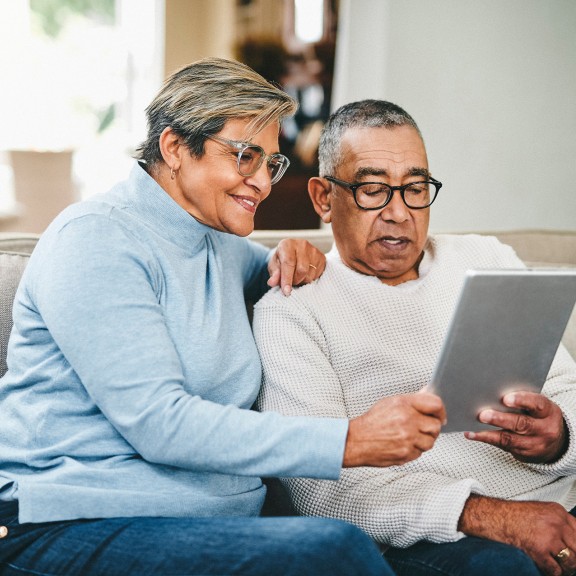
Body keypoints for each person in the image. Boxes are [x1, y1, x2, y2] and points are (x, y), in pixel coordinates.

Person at [0, 59, 448, 576]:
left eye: (271, 165)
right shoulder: (96, 239)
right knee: (333, 549)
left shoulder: (221, 245)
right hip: (66, 522)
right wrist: (348, 440)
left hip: (206, 522)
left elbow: (292, 277)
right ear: (173, 149)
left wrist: (294, 253)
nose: (261, 182)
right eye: (244, 157)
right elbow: (160, 424)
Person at [254, 99, 576, 576]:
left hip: (561, 503)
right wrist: (495, 517)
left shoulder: (485, 257)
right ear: (324, 198)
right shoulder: (293, 308)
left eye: (415, 188)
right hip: (444, 536)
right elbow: (319, 490)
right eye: (373, 189)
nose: (399, 213)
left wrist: (559, 438)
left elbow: (567, 391)